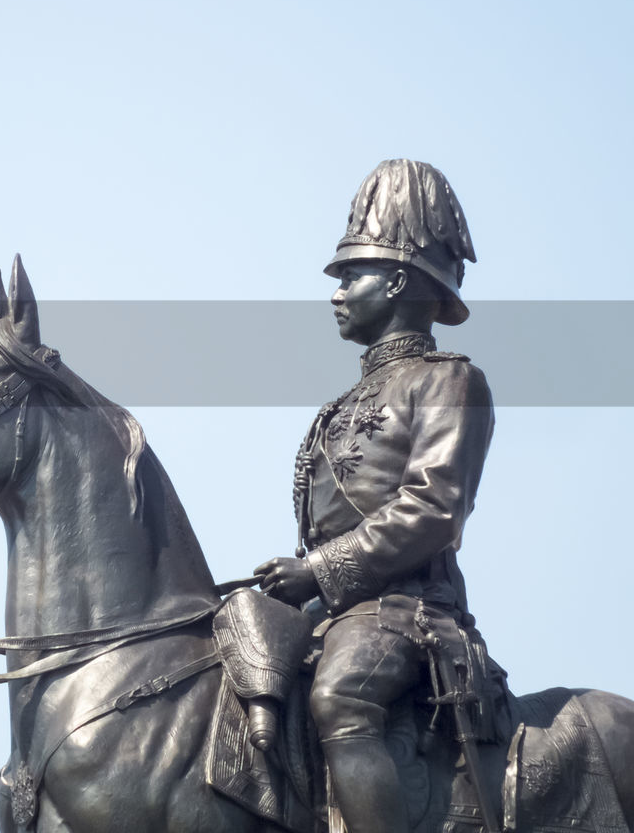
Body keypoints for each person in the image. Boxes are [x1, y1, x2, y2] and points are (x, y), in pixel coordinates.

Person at [253, 159, 496, 833]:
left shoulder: (450, 381)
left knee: (340, 700)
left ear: (394, 281)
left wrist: (319, 571)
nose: (335, 293)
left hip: (406, 610)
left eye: (349, 276)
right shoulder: (344, 401)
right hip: (334, 612)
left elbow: (432, 510)